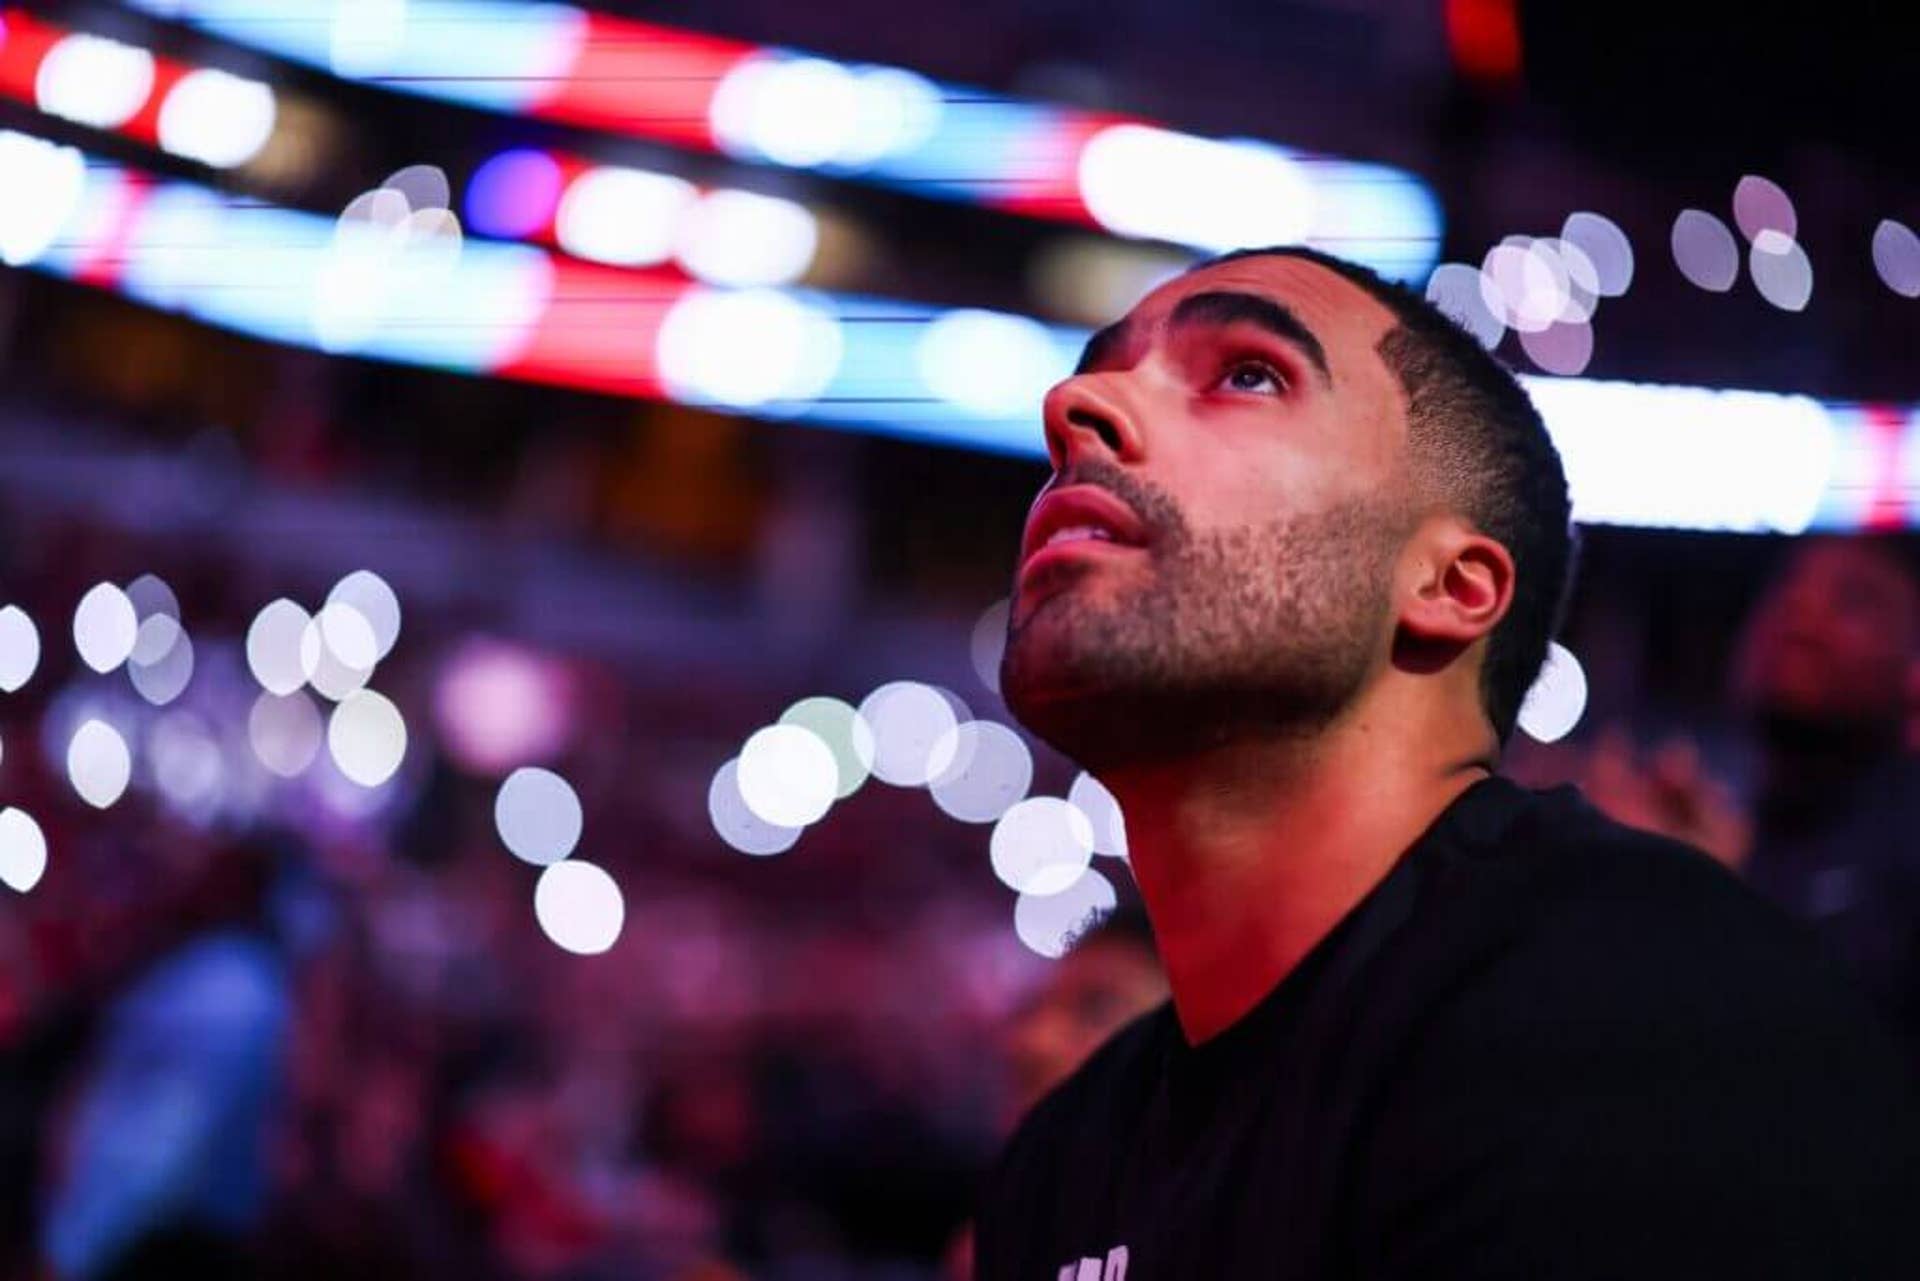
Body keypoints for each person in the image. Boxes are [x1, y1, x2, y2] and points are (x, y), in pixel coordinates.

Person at [974, 246, 1918, 1280]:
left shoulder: (1640, 1015)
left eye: (1248, 374)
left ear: (1451, 585)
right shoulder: (1060, 1165)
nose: (1075, 405)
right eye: (1100, 370)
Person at [1583, 535, 1920, 1047]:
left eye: (1853, 600)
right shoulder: (1753, 826)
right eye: (1786, 590)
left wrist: (1704, 891)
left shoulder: (1902, 844)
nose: (1802, 610)